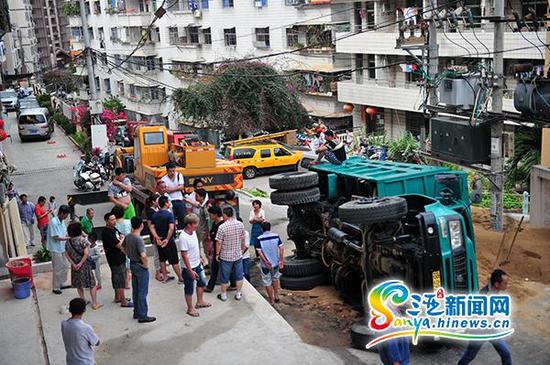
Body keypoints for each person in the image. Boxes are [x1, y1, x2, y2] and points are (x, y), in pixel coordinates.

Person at [458, 269, 512, 365]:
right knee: (469, 356)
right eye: (505, 283)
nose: (507, 285)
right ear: (496, 284)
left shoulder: (493, 290)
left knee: (505, 353)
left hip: (490, 329)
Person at [178, 214, 211, 317]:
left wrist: (199, 258)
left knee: (201, 282)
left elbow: (196, 247)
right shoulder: (183, 237)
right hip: (189, 267)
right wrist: (190, 270)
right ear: (189, 225)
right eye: (195, 224)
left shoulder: (193, 233)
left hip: (197, 263)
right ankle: (190, 308)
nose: (197, 225)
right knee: (189, 288)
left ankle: (200, 302)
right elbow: (184, 255)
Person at [124, 217, 156, 323]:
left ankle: (136, 311)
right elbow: (143, 255)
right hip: (140, 265)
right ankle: (143, 315)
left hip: (133, 264)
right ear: (142, 225)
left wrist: (128, 254)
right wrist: (146, 265)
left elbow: (122, 247)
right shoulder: (138, 239)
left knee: (136, 289)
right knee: (143, 291)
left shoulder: (128, 237)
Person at [65, 222, 102, 310]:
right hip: (84, 265)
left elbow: (66, 254)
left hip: (74, 266)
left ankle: (83, 300)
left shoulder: (68, 241)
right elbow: (86, 253)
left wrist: (74, 264)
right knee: (92, 283)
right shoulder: (82, 240)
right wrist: (80, 263)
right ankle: (94, 303)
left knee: (79, 284)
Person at [215, 207, 246, 302]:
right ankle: (238, 294)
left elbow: (219, 242)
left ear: (225, 215)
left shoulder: (222, 227)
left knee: (224, 276)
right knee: (239, 275)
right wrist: (241, 249)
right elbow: (243, 239)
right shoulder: (240, 224)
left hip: (226, 256)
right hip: (238, 255)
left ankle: (223, 295)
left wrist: (217, 253)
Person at [101, 212, 132, 308]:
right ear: (106, 221)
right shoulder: (106, 233)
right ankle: (123, 301)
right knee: (119, 280)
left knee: (118, 277)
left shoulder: (114, 229)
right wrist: (123, 239)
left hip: (120, 257)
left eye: (114, 219)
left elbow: (120, 236)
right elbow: (118, 244)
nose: (114, 221)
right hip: (115, 259)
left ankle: (117, 297)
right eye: (111, 220)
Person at [150, 196, 184, 284]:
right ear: (165, 203)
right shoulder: (169, 215)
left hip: (159, 241)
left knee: (162, 259)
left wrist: (157, 237)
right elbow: (171, 228)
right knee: (174, 260)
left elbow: (152, 227)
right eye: (168, 202)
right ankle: (180, 277)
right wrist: (167, 239)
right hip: (168, 241)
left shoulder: (155, 215)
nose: (169, 203)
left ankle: (165, 277)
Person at [61, 298, 100, 365]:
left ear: (70, 310)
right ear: (84, 310)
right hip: (85, 362)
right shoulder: (85, 328)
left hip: (71, 361)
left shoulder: (64, 324)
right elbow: (97, 342)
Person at [255, 221, 284, 305]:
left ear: (262, 229)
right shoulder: (276, 236)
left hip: (265, 265)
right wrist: (281, 260)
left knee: (267, 281)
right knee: (275, 278)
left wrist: (266, 262)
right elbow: (281, 248)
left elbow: (259, 252)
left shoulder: (259, 239)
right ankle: (276, 296)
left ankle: (271, 300)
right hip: (276, 262)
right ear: (270, 227)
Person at [47, 205, 72, 295]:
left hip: (62, 248)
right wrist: (69, 238)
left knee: (65, 266)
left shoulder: (62, 221)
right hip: (55, 249)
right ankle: (56, 287)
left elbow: (64, 233)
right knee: (57, 268)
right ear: (61, 213)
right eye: (65, 215)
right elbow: (55, 237)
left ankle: (62, 283)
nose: (66, 217)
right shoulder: (53, 222)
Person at [145, 193, 167, 282]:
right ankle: (158, 272)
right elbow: (150, 225)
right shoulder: (150, 211)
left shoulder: (157, 209)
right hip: (156, 236)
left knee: (162, 253)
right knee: (157, 254)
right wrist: (155, 236)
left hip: (160, 235)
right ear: (153, 202)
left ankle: (163, 269)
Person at [160, 162, 186, 229]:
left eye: (173, 171)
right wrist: (177, 188)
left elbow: (181, 187)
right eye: (170, 171)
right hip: (170, 201)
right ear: (167, 171)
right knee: (171, 218)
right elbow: (165, 190)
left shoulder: (179, 175)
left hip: (179, 200)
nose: (172, 173)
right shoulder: (163, 179)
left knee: (181, 217)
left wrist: (170, 190)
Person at [112, 205, 132, 288]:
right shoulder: (129, 222)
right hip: (128, 245)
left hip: (117, 246)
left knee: (121, 265)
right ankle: (127, 282)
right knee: (128, 264)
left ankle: (122, 281)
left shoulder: (113, 224)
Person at [205, 205, 224, 293]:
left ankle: (210, 286)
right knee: (215, 268)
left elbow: (219, 240)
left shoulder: (222, 225)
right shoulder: (214, 223)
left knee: (216, 267)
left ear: (216, 214)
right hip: (215, 249)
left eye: (211, 214)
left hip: (221, 250)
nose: (210, 216)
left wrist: (217, 252)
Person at [194, 188, 210, 262]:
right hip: (202, 230)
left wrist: (208, 233)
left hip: (205, 232)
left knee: (207, 250)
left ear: (202, 197)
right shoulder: (202, 206)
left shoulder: (205, 207)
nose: (195, 197)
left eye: (197, 196)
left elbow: (208, 221)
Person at [237, 217, 251, 281]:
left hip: (245, 257)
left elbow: (246, 246)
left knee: (246, 273)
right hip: (237, 257)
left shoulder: (246, 233)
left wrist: (240, 253)